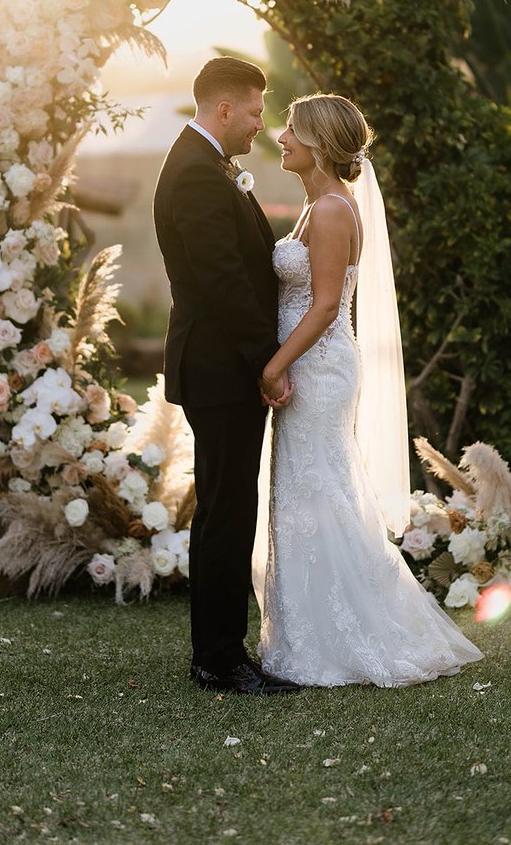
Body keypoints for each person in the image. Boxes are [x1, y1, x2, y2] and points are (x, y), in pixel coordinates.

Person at [254, 93, 484, 687]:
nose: (280, 137)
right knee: (306, 495)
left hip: (318, 368)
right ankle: (310, 630)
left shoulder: (331, 211)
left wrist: (275, 367)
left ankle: (348, 636)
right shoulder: (317, 205)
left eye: (291, 130)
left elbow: (327, 305)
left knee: (319, 493)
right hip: (308, 364)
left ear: (319, 144)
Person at [153, 56, 299, 695]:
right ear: (222, 109)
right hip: (221, 369)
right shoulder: (195, 174)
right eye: (252, 110)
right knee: (227, 513)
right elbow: (222, 283)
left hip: (221, 367)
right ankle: (218, 659)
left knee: (224, 509)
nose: (257, 123)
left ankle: (217, 650)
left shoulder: (206, 165)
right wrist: (267, 362)